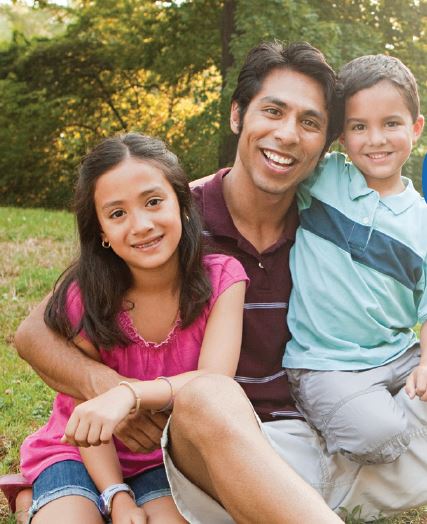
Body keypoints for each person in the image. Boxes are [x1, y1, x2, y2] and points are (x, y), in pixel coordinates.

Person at [14, 41, 427, 523]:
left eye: (310, 122)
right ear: (237, 116)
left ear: (327, 142)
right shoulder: (171, 220)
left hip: (313, 432)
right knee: (209, 395)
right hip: (209, 441)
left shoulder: (330, 222)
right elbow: (34, 334)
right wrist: (119, 391)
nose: (288, 134)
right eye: (272, 111)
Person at [18, 133, 248, 523]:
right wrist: (116, 495)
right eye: (117, 214)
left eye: (153, 202)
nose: (141, 225)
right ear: (102, 233)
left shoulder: (223, 279)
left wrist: (128, 394)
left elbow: (214, 380)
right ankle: (37, 502)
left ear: (183, 204)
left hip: (161, 459)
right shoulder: (85, 296)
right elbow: (84, 414)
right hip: (78, 451)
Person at [284, 54, 427, 465]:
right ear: (342, 137)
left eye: (392, 124)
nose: (376, 139)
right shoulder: (323, 178)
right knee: (382, 434)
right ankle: (347, 433)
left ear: (415, 128)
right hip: (325, 365)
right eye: (359, 127)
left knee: (391, 420)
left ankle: (381, 417)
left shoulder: (420, 221)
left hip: (399, 355)